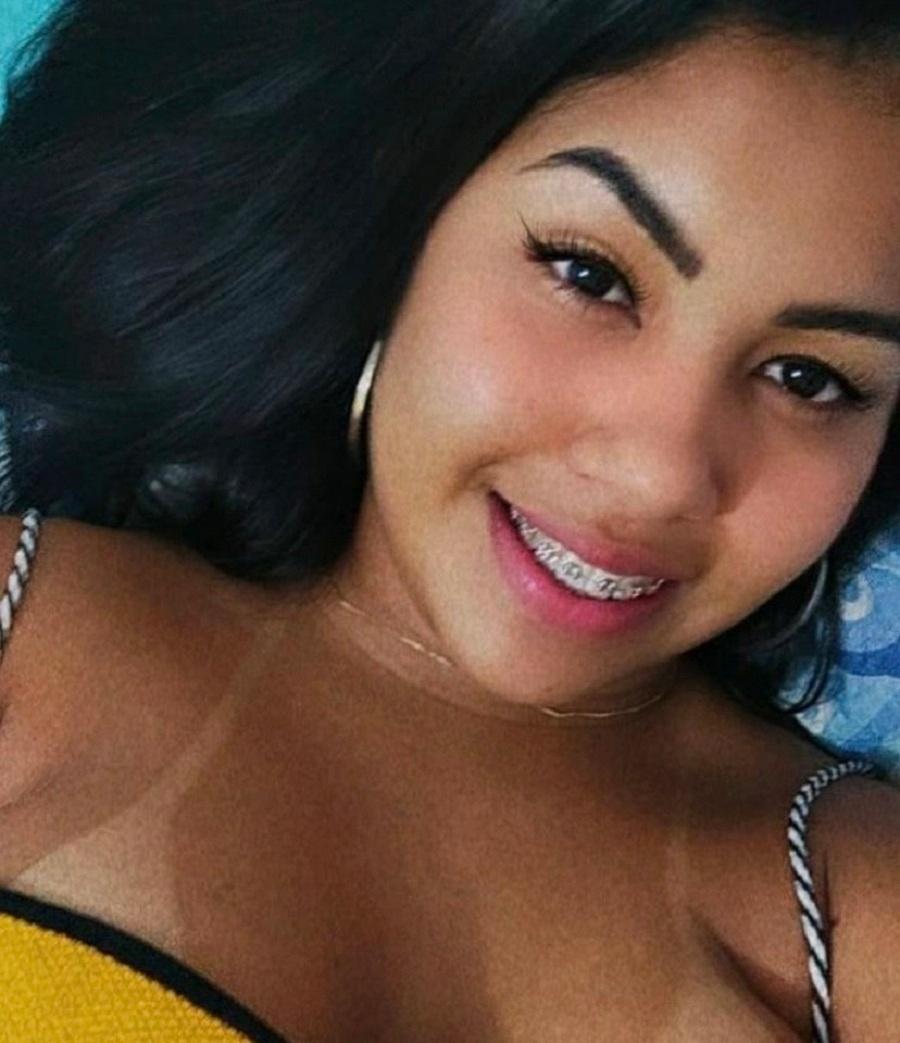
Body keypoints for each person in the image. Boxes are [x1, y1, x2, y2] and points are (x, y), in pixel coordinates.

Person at [0, 0, 897, 1039]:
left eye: (810, 378)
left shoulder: (853, 907)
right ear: (404, 225)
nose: (659, 475)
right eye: (589, 275)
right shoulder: (23, 632)